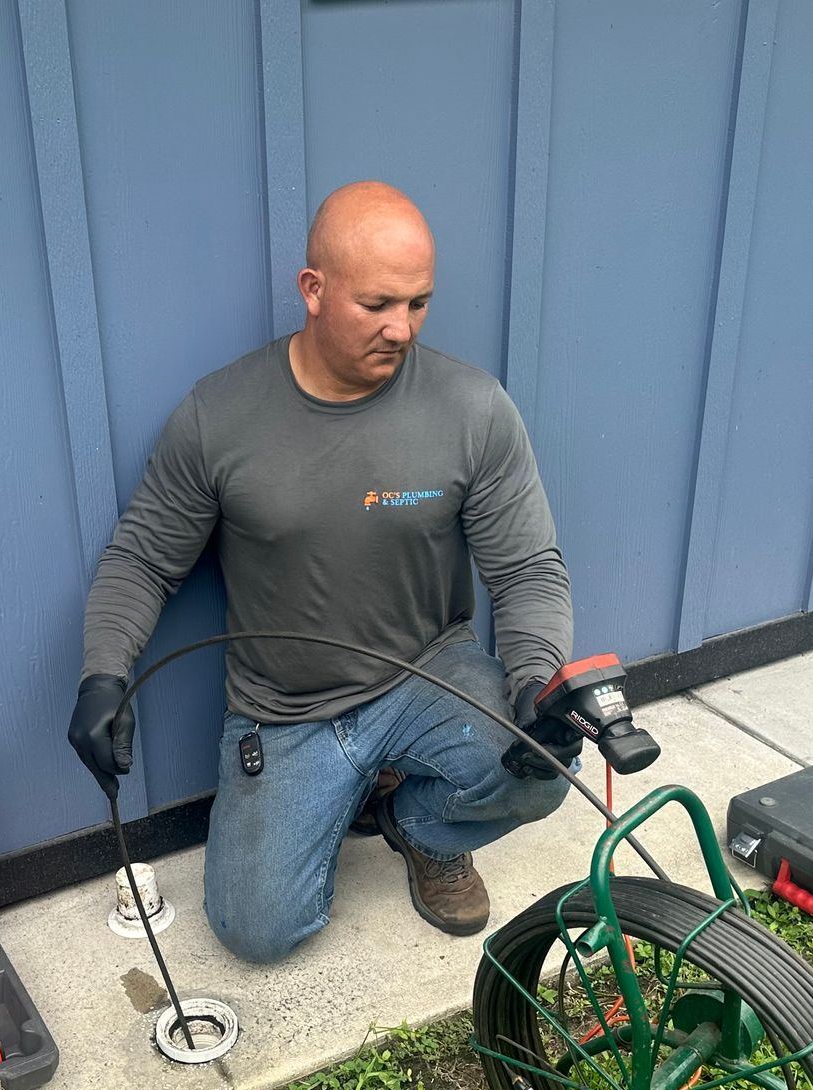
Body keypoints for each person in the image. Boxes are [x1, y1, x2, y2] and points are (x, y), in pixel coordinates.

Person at [67, 181, 579, 962]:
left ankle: (422, 828)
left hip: (428, 674)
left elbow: (529, 570)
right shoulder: (220, 414)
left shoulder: (472, 408)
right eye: (377, 304)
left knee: (542, 767)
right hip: (286, 707)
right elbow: (141, 558)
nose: (400, 328)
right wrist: (103, 675)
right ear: (313, 289)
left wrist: (535, 684)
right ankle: (342, 799)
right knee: (256, 932)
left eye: (418, 304)